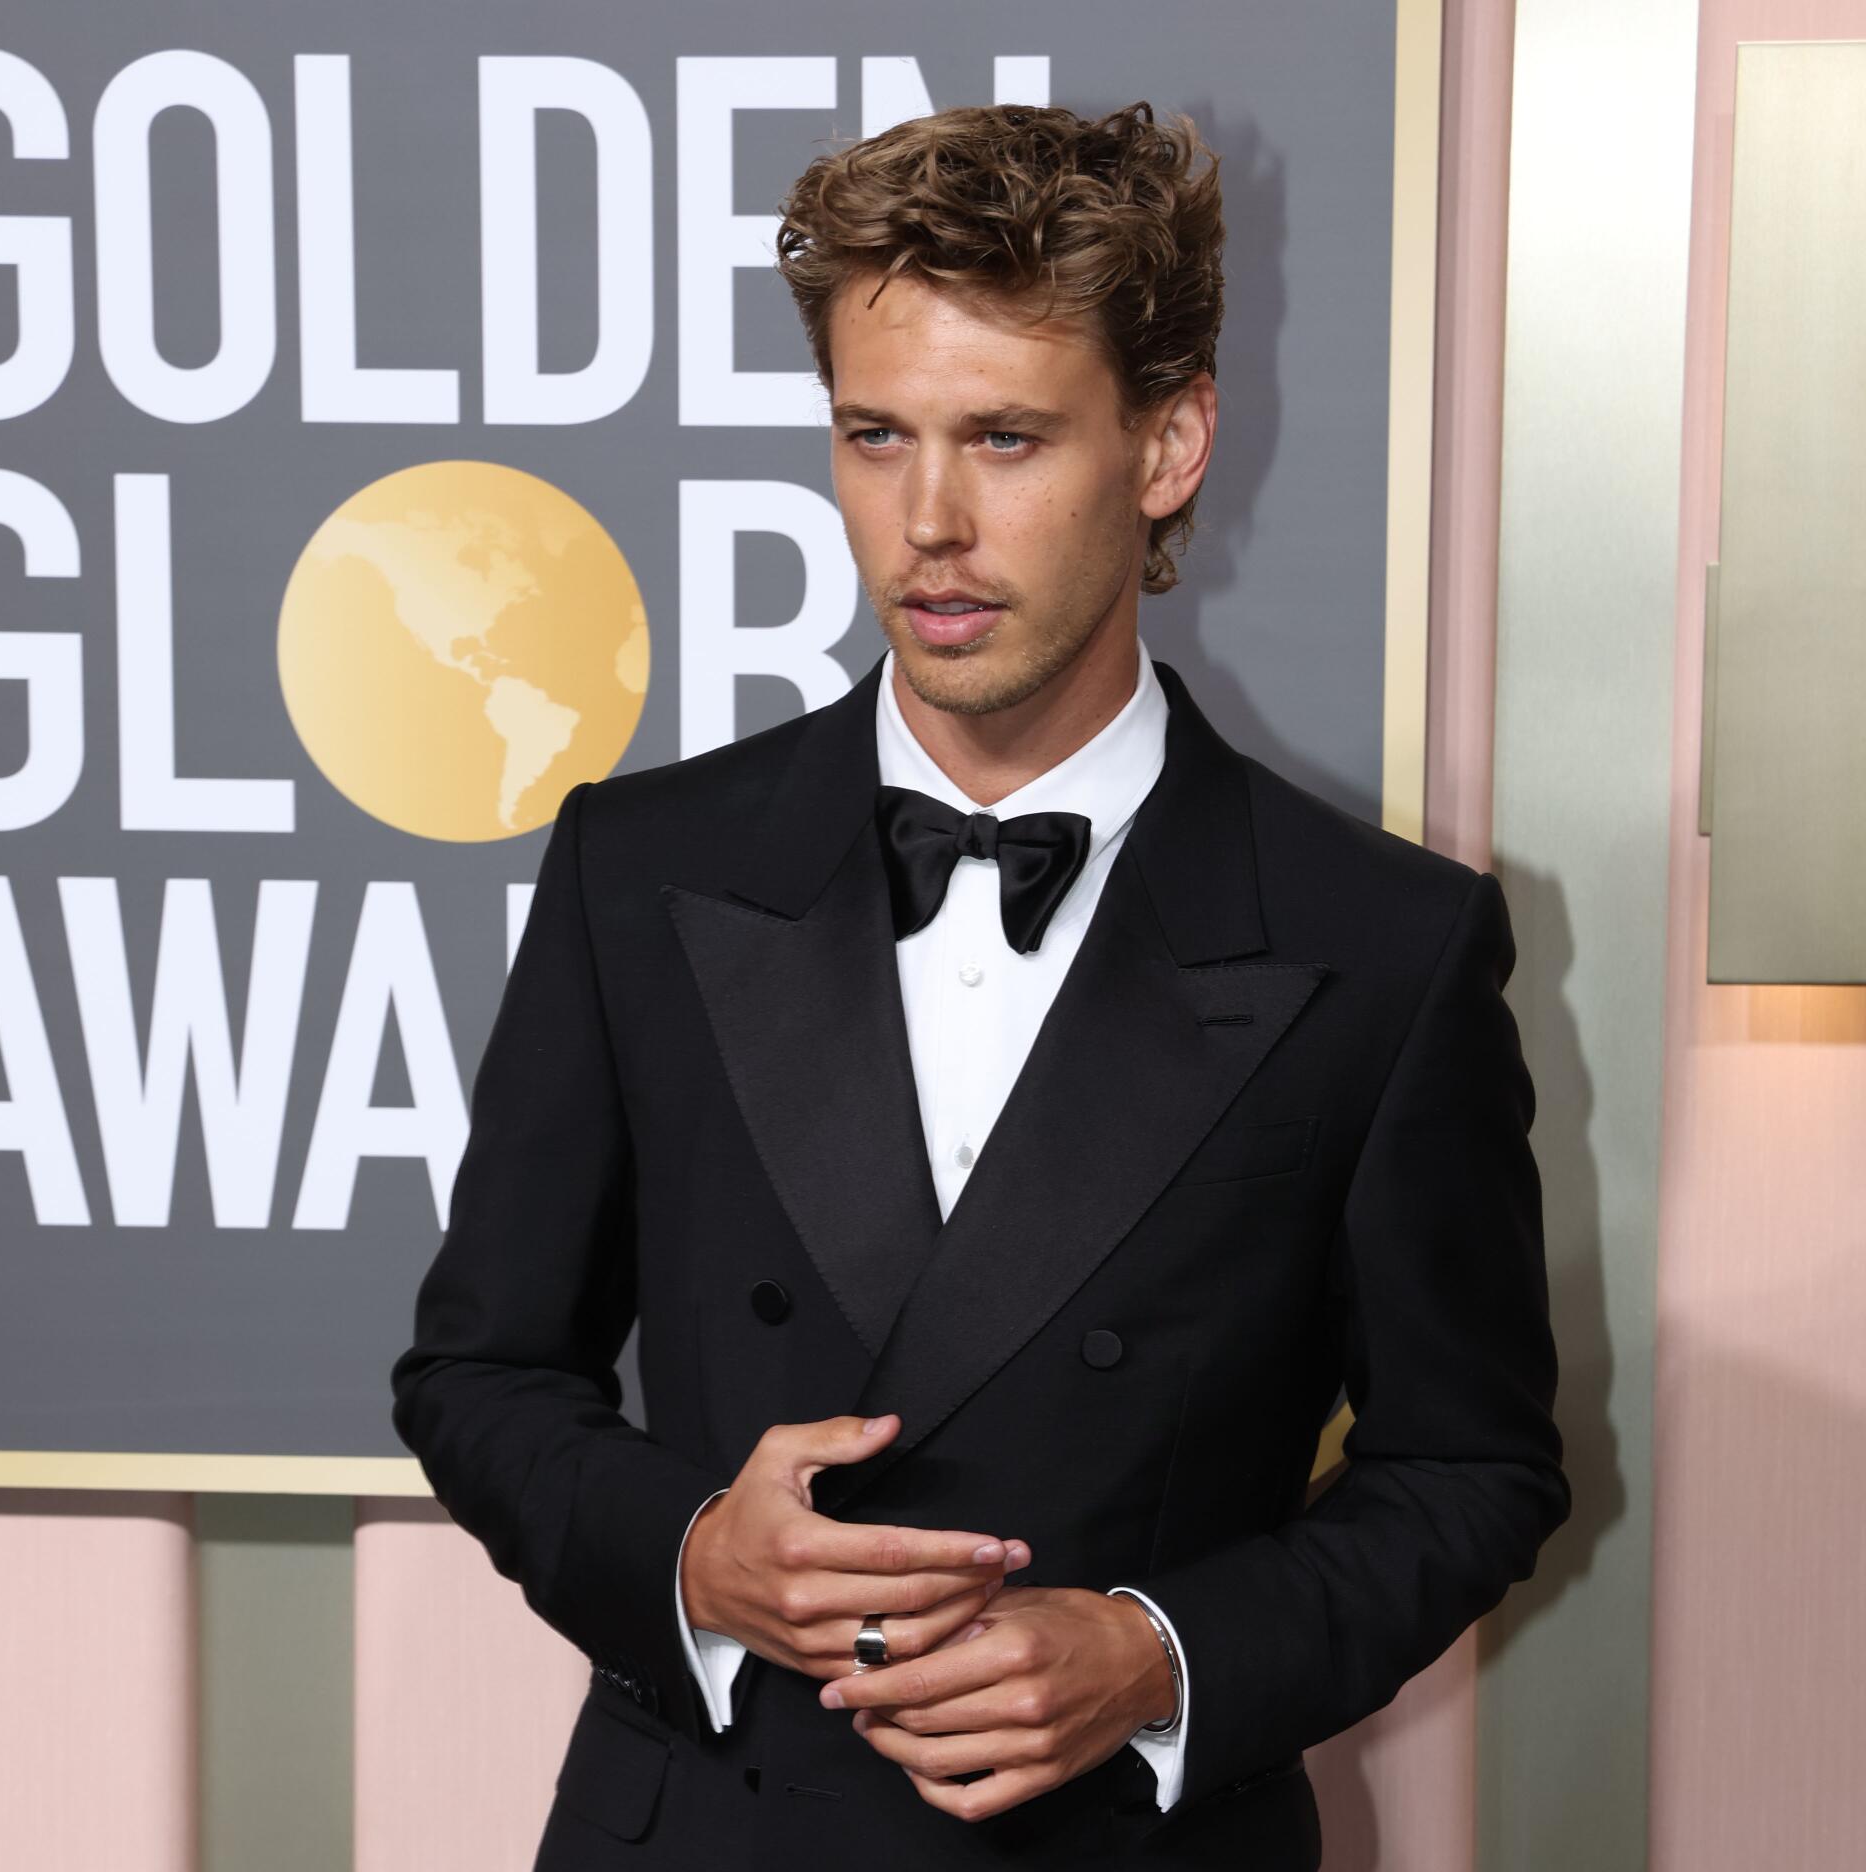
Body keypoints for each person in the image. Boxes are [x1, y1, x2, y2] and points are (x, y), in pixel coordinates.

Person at [390, 100, 1568, 1870]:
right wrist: (697, 1553)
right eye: (877, 437)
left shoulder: (1386, 942)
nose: (927, 525)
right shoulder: (642, 868)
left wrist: (1157, 1659)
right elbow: (477, 1373)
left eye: (1006, 440)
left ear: (1168, 446)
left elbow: (1473, 1472)